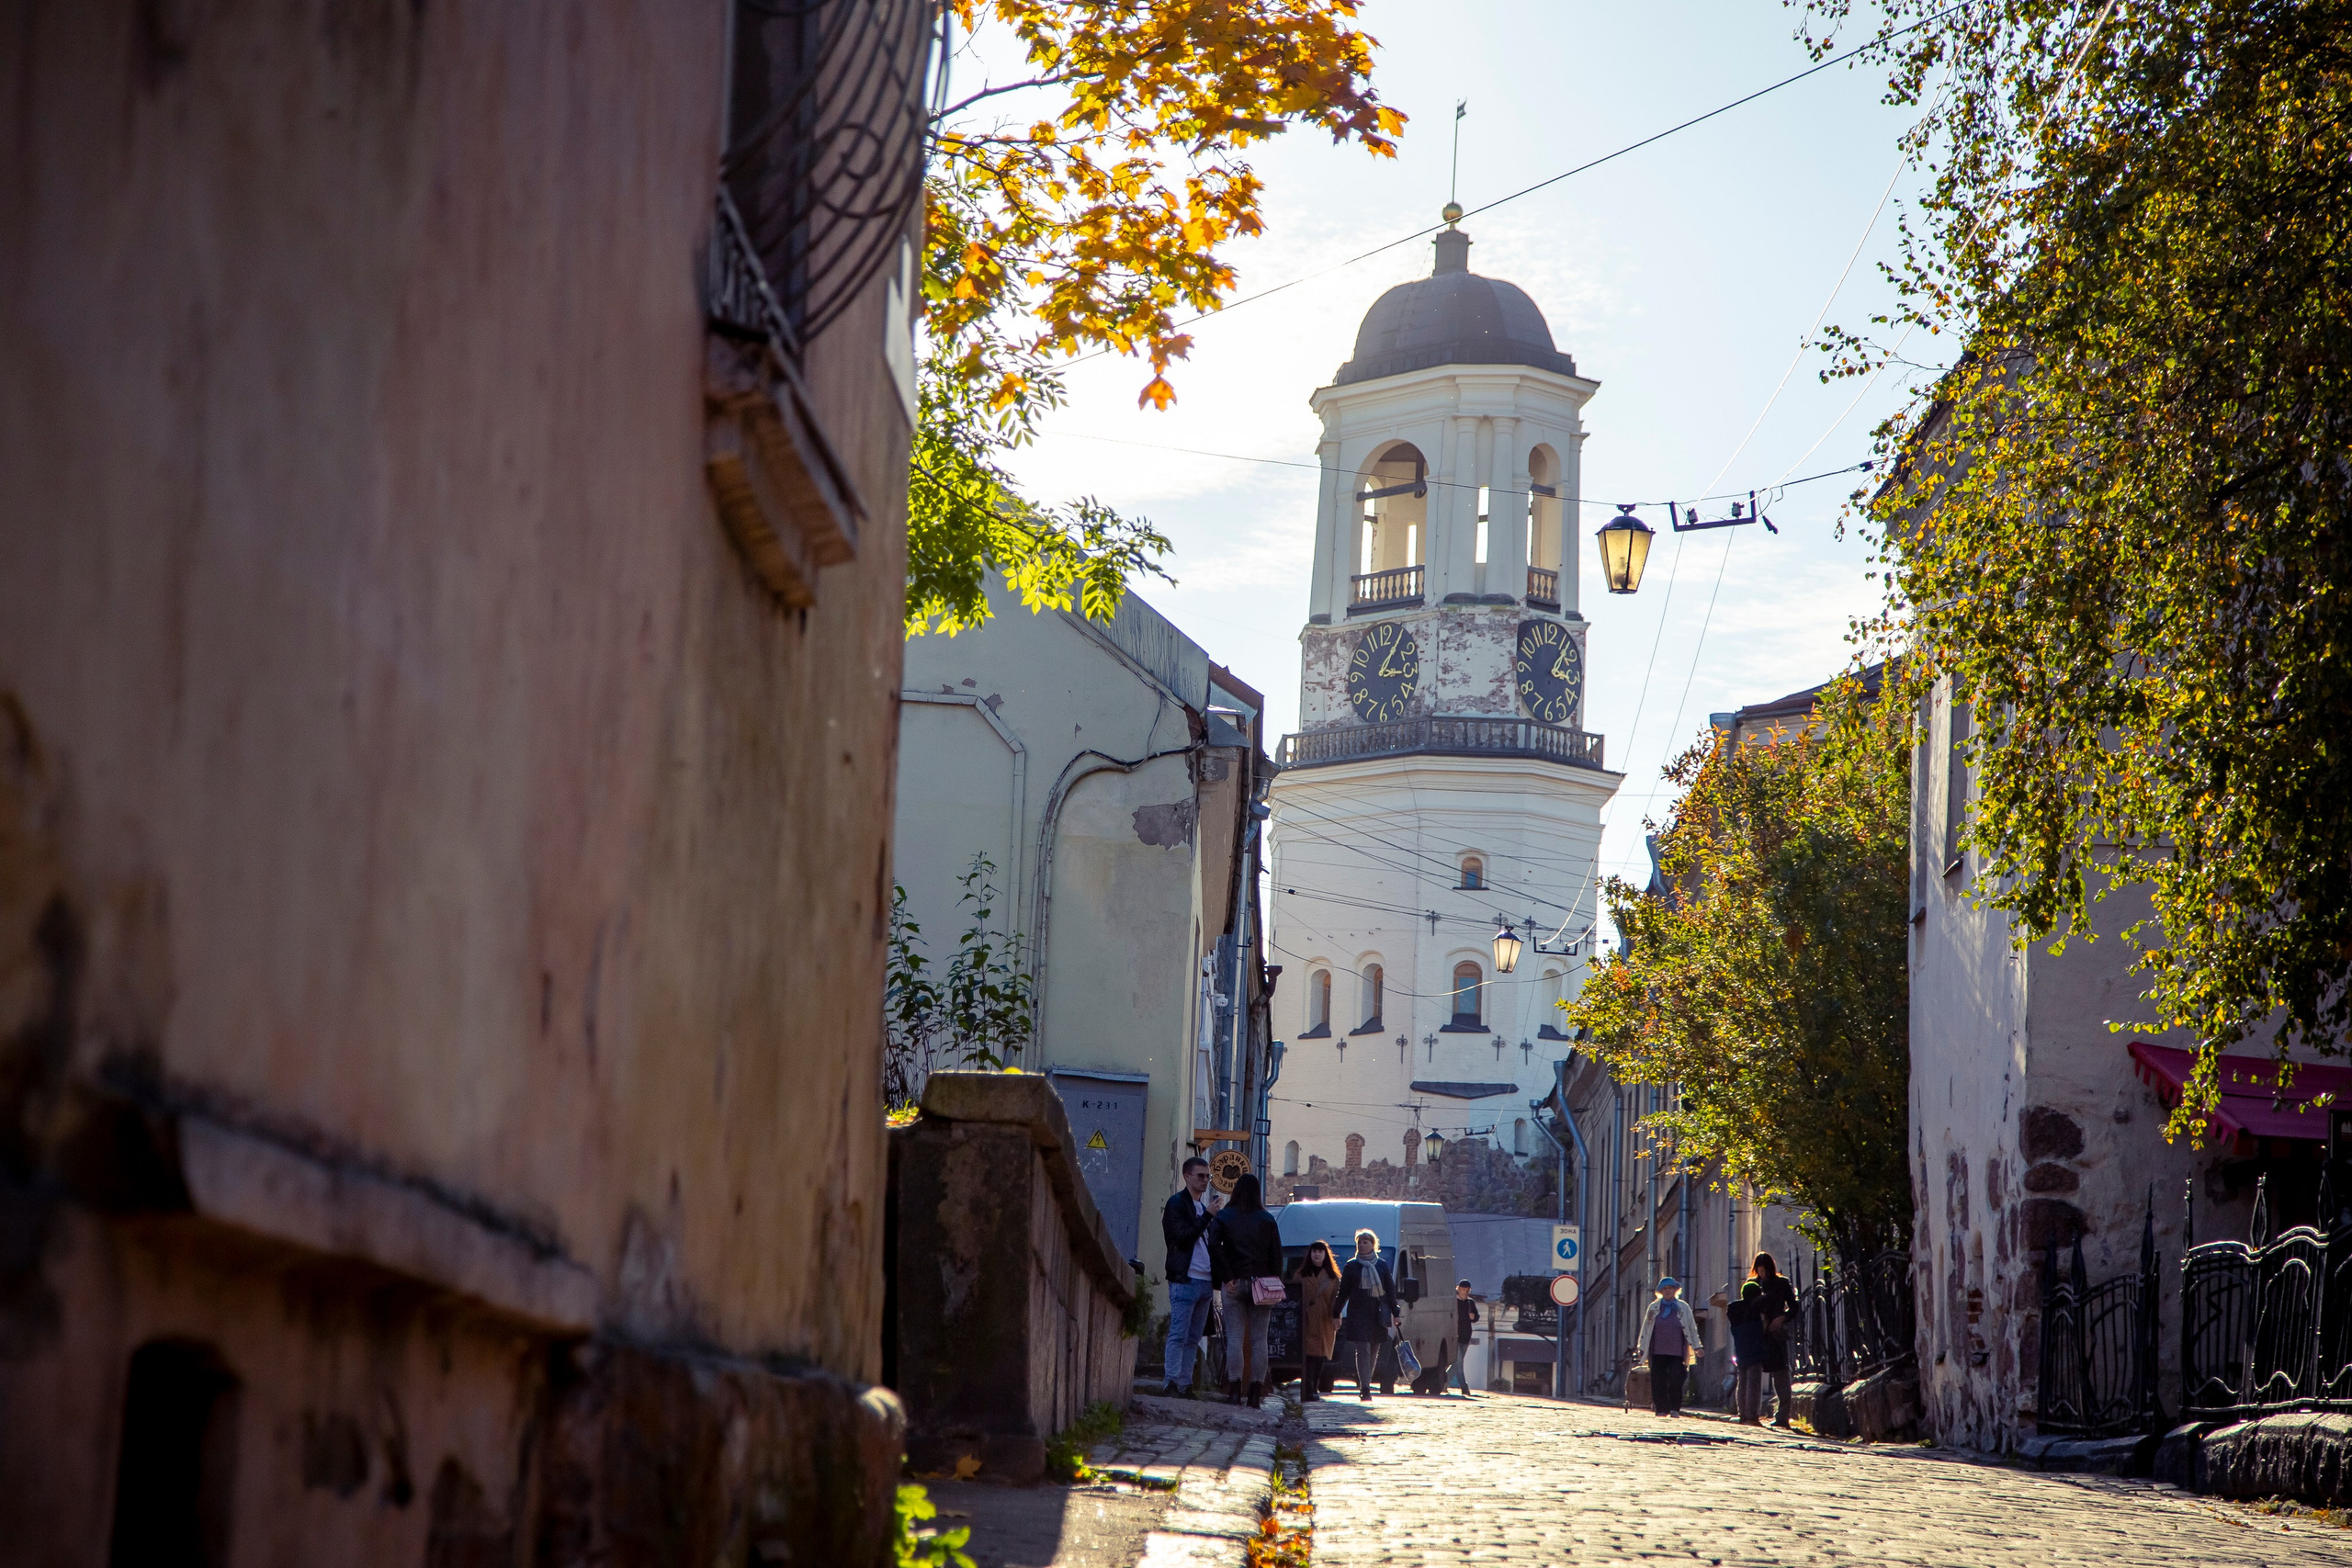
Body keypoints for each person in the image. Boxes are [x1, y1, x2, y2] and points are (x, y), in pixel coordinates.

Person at [1207, 1174, 1284, 1408]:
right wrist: (1272, 1279)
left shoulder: (1224, 1216)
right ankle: (1254, 1393)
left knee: (1235, 1339)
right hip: (1261, 1283)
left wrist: (1226, 1275)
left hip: (1234, 1283)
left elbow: (1213, 1246)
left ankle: (1233, 1390)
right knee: (1260, 1340)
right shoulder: (1267, 1219)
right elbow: (1276, 1256)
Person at [1159, 1156, 1223, 1397]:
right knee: (1178, 1333)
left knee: (1194, 1337)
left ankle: (1186, 1384)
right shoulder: (1178, 1204)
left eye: (1208, 1177)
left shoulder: (1201, 1206)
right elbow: (1183, 1238)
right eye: (1201, 1176)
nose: (1206, 1181)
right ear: (1187, 1176)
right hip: (1184, 1278)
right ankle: (1171, 1382)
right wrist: (1207, 1216)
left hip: (1205, 1281)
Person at [1337, 1228, 1398, 1402]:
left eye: (1366, 1242)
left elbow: (1390, 1291)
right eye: (1360, 1242)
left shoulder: (1381, 1265)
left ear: (1373, 1245)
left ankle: (1366, 1382)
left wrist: (1396, 1313)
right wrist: (1336, 1313)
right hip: (1358, 1313)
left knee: (1373, 1350)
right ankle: (1365, 1387)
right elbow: (1344, 1292)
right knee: (1362, 1349)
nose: (1362, 1245)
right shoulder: (1351, 1266)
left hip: (1377, 1313)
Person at [1634, 1276, 1703, 1416]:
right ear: (1660, 1291)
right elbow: (1646, 1328)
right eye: (1664, 1289)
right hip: (1657, 1351)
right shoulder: (1654, 1307)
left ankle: (1674, 1408)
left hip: (1677, 1352)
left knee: (1676, 1378)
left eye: (1670, 1288)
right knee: (1658, 1380)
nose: (1667, 1291)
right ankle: (1661, 1408)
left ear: (1675, 1290)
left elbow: (1691, 1328)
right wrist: (1642, 1347)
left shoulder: (1683, 1307)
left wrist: (1697, 1346)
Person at [1750, 1252, 1800, 1428]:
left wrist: (1782, 1318)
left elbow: (1794, 1308)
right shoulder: (1754, 1285)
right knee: (1753, 1372)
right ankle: (1751, 1413)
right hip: (1757, 1334)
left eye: (1764, 1270)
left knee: (1780, 1373)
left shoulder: (1781, 1283)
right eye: (1759, 1270)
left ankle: (1783, 1416)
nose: (1762, 1273)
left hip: (1776, 1334)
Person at [1296, 1239, 1342, 1404]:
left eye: (1320, 1251)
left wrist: (1337, 1318)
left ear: (1325, 1255)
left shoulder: (1333, 1278)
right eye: (1314, 1251)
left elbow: (1336, 1300)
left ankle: (1314, 1388)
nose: (1316, 1254)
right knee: (1307, 1357)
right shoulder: (1301, 1275)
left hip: (1324, 1321)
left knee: (1319, 1357)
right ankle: (1308, 1389)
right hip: (1306, 1321)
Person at [1727, 1280, 1770, 1425]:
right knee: (1754, 1383)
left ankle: (1743, 1413)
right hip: (1754, 1350)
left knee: (1742, 1381)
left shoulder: (1734, 1309)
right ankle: (1752, 1415)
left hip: (1740, 1350)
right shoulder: (1754, 1309)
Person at [1450, 1280, 1479, 1397]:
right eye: (1463, 1289)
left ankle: (1441, 1384)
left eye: (1467, 1290)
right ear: (1458, 1289)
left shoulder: (1471, 1303)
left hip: (1466, 1336)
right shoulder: (1453, 1302)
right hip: (1454, 1336)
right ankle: (1464, 1387)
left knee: (1456, 1364)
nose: (1465, 1292)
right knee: (1459, 1363)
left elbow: (1476, 1317)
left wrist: (1473, 1317)